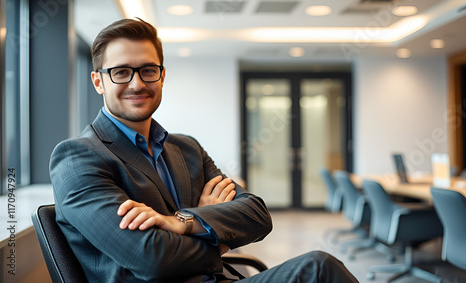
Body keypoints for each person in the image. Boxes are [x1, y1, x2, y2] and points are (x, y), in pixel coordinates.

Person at [49, 18, 359, 283]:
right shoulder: (78, 157)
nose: (136, 83)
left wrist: (181, 220)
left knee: (320, 268)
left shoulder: (185, 148)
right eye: (120, 72)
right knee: (319, 269)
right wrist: (217, 239)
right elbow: (153, 259)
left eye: (147, 70)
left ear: (162, 75)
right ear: (98, 82)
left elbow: (257, 215)